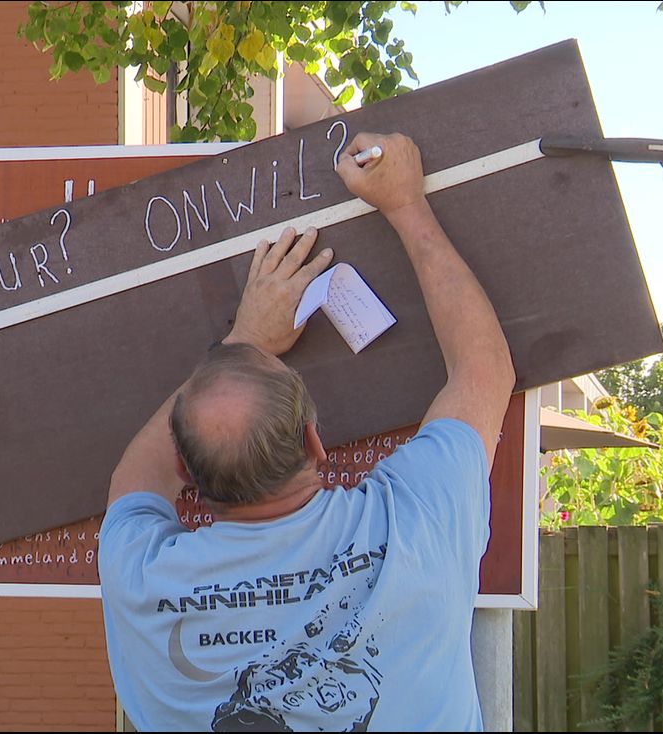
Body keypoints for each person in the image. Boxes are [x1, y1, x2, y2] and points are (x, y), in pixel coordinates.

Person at [98, 132, 516, 732]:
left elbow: (137, 476)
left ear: (189, 475)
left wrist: (246, 340)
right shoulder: (414, 521)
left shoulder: (140, 579)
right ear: (315, 444)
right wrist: (405, 206)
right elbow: (484, 368)